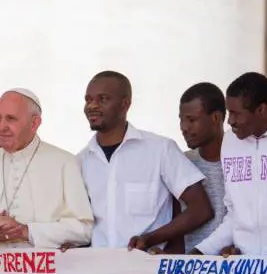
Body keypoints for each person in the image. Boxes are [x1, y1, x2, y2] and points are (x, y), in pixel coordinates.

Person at [77, 71, 212, 254]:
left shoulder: (160, 149)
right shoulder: (80, 161)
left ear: (125, 104)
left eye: (103, 99)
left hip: (148, 272)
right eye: (88, 99)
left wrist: (151, 238)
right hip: (97, 272)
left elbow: (200, 209)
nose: (92, 105)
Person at [0, 88, 93, 250]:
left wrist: (26, 231)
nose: (1, 127)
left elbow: (83, 229)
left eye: (11, 119)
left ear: (34, 123)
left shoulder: (65, 163)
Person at [192, 72, 267, 256]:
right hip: (244, 265)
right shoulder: (230, 141)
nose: (229, 121)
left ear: (261, 110)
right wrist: (203, 251)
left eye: (236, 114)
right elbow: (234, 214)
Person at [178, 82, 227, 252]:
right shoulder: (182, 162)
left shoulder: (242, 160)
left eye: (191, 120)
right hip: (191, 269)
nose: (184, 127)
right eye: (181, 119)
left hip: (235, 267)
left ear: (216, 118)